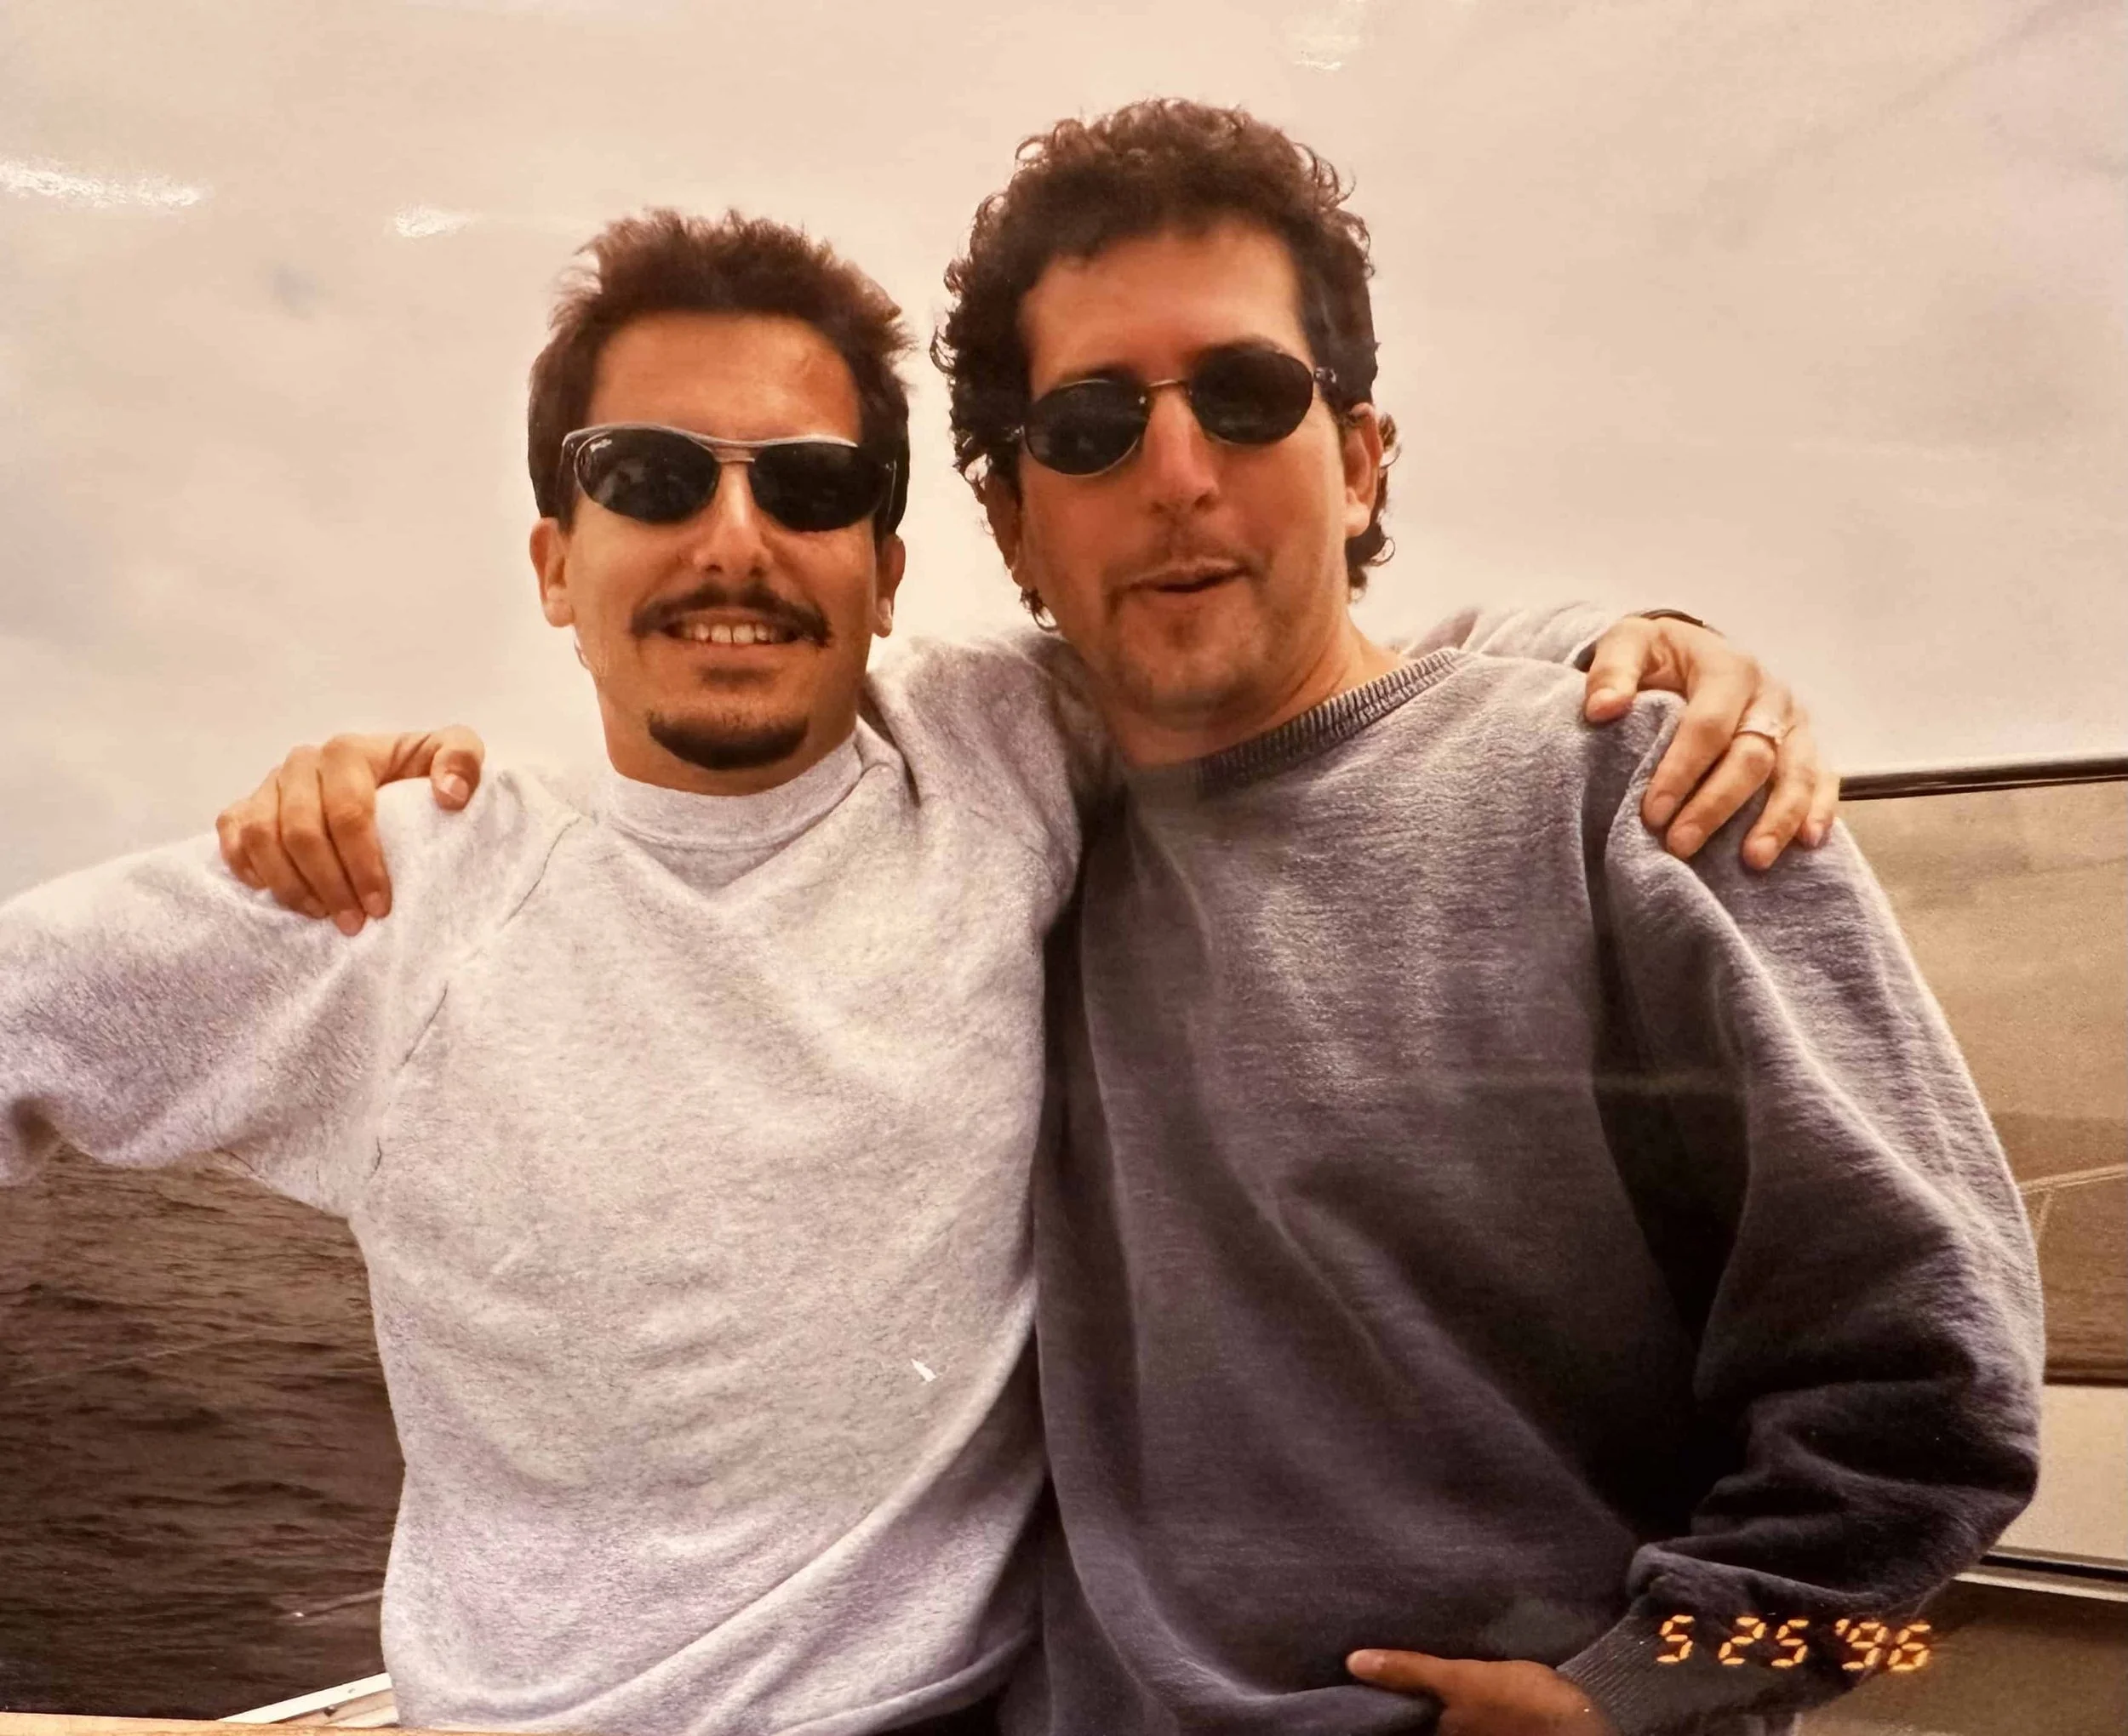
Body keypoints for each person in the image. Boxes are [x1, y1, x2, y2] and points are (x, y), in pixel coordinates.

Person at [4, 206, 1818, 1736]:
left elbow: (1310, 657)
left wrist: (1630, 642)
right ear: (558, 562)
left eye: (805, 485)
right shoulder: (390, 892)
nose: (733, 538)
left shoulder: (1003, 747)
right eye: (647, 476)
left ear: (884, 565)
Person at [924, 101, 2041, 1736]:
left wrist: (1644, 1690)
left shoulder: (1635, 793)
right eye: (1088, 425)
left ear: (1360, 454)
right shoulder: (985, 842)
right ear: (1014, 515)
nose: (1176, 475)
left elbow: (1936, 1390)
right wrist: (410, 801)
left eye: (1244, 397)